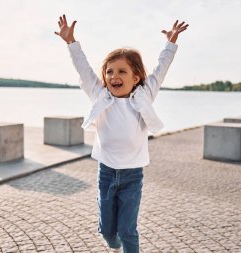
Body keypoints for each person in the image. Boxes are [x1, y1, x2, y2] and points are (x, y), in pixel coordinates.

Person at [55, 14, 188, 253]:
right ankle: (113, 244)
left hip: (132, 175)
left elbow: (161, 69)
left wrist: (171, 44)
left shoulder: (143, 97)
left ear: (135, 77)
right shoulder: (100, 95)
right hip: (106, 172)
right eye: (109, 72)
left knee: (128, 229)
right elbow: (84, 70)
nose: (114, 76)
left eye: (122, 72)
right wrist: (70, 42)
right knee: (107, 231)